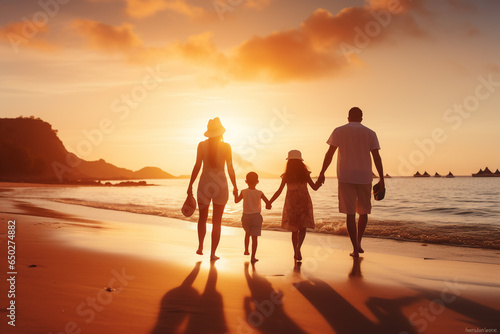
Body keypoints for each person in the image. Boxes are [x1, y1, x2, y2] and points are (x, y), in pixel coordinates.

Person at [317, 107, 384, 257]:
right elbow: (377, 158)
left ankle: (354, 248)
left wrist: (322, 172)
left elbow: (329, 154)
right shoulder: (370, 133)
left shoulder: (339, 131)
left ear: (348, 118)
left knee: (350, 213)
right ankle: (359, 242)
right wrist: (382, 178)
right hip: (365, 177)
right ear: (362, 118)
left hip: (346, 176)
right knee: (364, 212)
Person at [187, 117, 238, 261]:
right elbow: (230, 168)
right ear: (221, 132)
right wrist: (235, 186)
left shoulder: (201, 145)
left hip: (204, 182)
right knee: (217, 221)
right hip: (220, 184)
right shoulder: (227, 146)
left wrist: (190, 184)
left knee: (202, 218)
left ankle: (200, 247)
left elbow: (197, 165)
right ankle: (213, 253)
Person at [270, 150, 321, 261]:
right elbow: (315, 187)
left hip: (291, 203)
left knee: (294, 229)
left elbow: (279, 191)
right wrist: (320, 182)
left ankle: (295, 251)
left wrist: (270, 201)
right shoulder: (305, 173)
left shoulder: (286, 175)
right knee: (302, 227)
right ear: (300, 161)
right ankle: (298, 248)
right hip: (304, 201)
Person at [234, 172, 272, 263]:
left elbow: (236, 201)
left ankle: (246, 250)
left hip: (246, 216)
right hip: (256, 217)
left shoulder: (243, 192)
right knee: (254, 237)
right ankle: (253, 257)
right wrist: (268, 205)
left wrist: (235, 194)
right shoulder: (260, 193)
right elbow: (268, 203)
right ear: (257, 181)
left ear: (246, 181)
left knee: (247, 233)